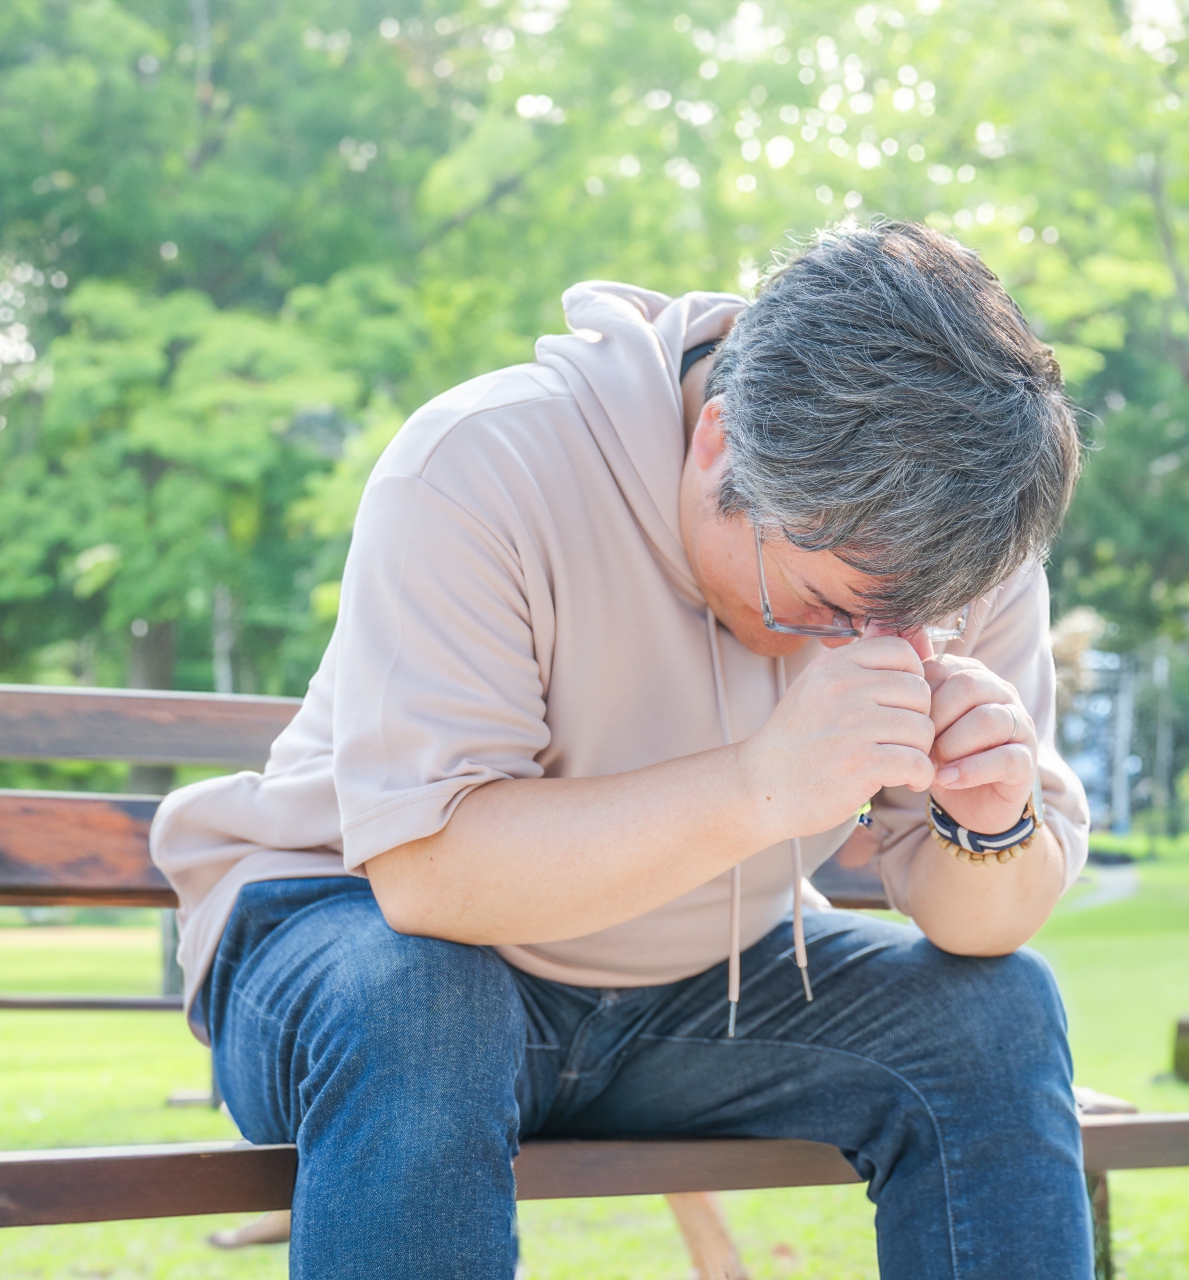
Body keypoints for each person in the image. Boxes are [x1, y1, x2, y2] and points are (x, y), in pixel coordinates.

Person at [153, 219, 1092, 1278]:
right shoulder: (480, 463)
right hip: (351, 945)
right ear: (719, 445)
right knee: (424, 1004)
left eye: (925, 619)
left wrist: (993, 821)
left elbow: (985, 925)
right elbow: (426, 873)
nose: (878, 651)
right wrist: (757, 784)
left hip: (694, 985)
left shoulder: (951, 547)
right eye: (829, 605)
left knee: (997, 1015)